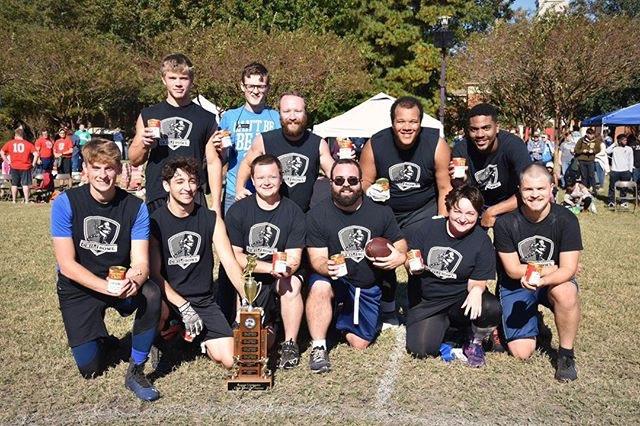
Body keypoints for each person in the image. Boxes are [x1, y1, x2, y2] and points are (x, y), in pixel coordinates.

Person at [51, 139, 162, 401]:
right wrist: (105, 287)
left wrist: (134, 281)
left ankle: (136, 368)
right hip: (79, 285)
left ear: (120, 171)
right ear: (85, 171)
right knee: (89, 369)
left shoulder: (135, 207)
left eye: (110, 168)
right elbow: (66, 264)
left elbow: (141, 263)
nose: (103, 175)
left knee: (151, 293)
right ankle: (104, 340)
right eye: (96, 167)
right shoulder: (66, 203)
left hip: (120, 278)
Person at [305, 159, 407, 373]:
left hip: (364, 281)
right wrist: (328, 267)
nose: (346, 185)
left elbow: (399, 242)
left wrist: (399, 257)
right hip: (333, 279)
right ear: (330, 182)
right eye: (339, 180)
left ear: (361, 182)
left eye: (352, 180)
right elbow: (316, 259)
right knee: (319, 287)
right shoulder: (317, 214)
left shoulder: (380, 211)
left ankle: (336, 317)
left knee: (359, 344)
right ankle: (319, 347)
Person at [359, 96, 452, 327]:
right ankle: (388, 307)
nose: (407, 127)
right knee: (383, 253)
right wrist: (371, 191)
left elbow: (444, 187)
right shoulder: (375, 144)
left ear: (421, 122)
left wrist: (441, 221)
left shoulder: (436, 143)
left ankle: (420, 306)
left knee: (420, 258)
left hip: (422, 209)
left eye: (413, 122)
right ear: (392, 122)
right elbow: (364, 181)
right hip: (387, 209)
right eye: (401, 122)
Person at [149, 157, 246, 371]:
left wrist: (248, 298)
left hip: (203, 300)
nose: (187, 187)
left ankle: (195, 337)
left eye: (192, 181)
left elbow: (229, 262)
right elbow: (155, 275)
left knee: (230, 360)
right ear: (167, 185)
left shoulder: (211, 219)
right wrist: (183, 307)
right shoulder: (155, 222)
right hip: (170, 298)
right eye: (180, 181)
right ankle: (161, 335)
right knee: (154, 304)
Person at [494, 163, 582, 382]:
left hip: (550, 283)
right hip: (516, 285)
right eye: (528, 190)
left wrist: (544, 278)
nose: (535, 195)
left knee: (566, 292)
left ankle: (566, 355)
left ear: (551, 188)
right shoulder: (505, 223)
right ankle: (535, 319)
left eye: (540, 189)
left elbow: (569, 270)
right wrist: (552, 267)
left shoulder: (567, 220)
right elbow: (513, 270)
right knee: (521, 353)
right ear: (520, 190)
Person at [224, 154, 306, 369]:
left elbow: (294, 257)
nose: (266, 182)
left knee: (292, 283)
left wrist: (284, 269)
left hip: (280, 277)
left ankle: (290, 344)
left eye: (272, 177)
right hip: (248, 279)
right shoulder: (238, 211)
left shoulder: (293, 212)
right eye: (260, 178)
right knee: (256, 346)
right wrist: (268, 267)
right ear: (252, 179)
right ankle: (271, 327)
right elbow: (235, 257)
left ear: (281, 178)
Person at [405, 185, 501, 367]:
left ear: (478, 215)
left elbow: (478, 281)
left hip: (459, 299)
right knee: (421, 349)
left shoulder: (481, 240)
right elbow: (411, 256)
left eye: (470, 214)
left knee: (490, 306)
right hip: (428, 301)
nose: (463, 219)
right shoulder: (428, 228)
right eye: (458, 211)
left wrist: (476, 290)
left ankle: (475, 341)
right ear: (448, 209)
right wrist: (411, 264)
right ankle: (451, 332)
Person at [129, 53, 221, 214]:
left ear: (191, 80)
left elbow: (213, 162)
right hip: (158, 192)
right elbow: (134, 159)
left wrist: (217, 205)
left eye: (183, 78)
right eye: (173, 78)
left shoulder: (206, 118)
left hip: (191, 191)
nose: (178, 84)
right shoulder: (149, 114)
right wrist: (144, 145)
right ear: (164, 79)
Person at [234, 92, 334, 213]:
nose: (292, 117)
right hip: (269, 213)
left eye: (297, 111)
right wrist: (240, 189)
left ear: (305, 112)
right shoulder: (264, 140)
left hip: (303, 214)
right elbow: (246, 164)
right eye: (286, 111)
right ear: (279, 114)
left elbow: (334, 173)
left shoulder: (318, 143)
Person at [211, 62, 280, 214]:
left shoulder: (276, 117)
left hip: (268, 192)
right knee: (233, 238)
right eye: (250, 86)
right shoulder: (229, 117)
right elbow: (221, 160)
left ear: (267, 88)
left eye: (260, 86)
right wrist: (219, 150)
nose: (255, 91)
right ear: (242, 86)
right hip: (234, 192)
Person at [450, 103, 531, 228]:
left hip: (511, 202)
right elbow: (459, 189)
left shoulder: (514, 145)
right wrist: (461, 182)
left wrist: (493, 211)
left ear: (497, 127)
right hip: (476, 203)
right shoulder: (460, 149)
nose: (480, 135)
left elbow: (529, 189)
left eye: (486, 128)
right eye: (474, 129)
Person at [1, 128, 38, 203]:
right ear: (23, 135)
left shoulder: (10, 143)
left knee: (14, 184)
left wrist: (7, 161)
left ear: (16, 135)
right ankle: (27, 200)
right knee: (25, 184)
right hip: (25, 167)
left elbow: (1, 152)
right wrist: (33, 164)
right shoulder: (28, 143)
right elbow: (36, 154)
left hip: (14, 166)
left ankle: (14, 200)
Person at [606, 134, 634, 208]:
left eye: (626, 140)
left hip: (625, 171)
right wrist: (614, 144)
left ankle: (623, 201)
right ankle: (611, 202)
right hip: (615, 171)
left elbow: (631, 160)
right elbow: (607, 151)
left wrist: (630, 171)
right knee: (612, 187)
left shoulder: (629, 149)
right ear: (619, 141)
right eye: (624, 140)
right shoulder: (615, 148)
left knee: (624, 187)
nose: (625, 141)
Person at [574, 127, 601, 191]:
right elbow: (576, 150)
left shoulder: (596, 141)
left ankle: (594, 190)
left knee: (591, 175)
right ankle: (584, 189)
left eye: (592, 134)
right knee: (584, 176)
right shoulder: (581, 140)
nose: (591, 136)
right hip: (582, 160)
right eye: (589, 134)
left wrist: (593, 151)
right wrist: (582, 151)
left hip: (590, 160)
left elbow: (598, 149)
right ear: (587, 134)